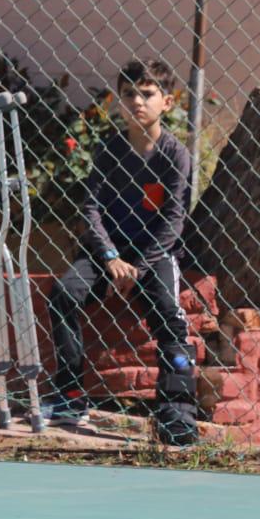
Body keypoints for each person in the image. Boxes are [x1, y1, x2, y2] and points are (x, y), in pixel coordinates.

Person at [42, 60, 198, 446]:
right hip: (108, 254)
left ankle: (177, 412)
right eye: (129, 94)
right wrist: (111, 256)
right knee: (63, 294)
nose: (137, 102)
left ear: (167, 102)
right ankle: (70, 394)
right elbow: (91, 207)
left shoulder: (175, 154)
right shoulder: (110, 150)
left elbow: (174, 220)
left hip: (153, 254)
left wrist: (139, 267)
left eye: (147, 94)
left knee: (171, 315)